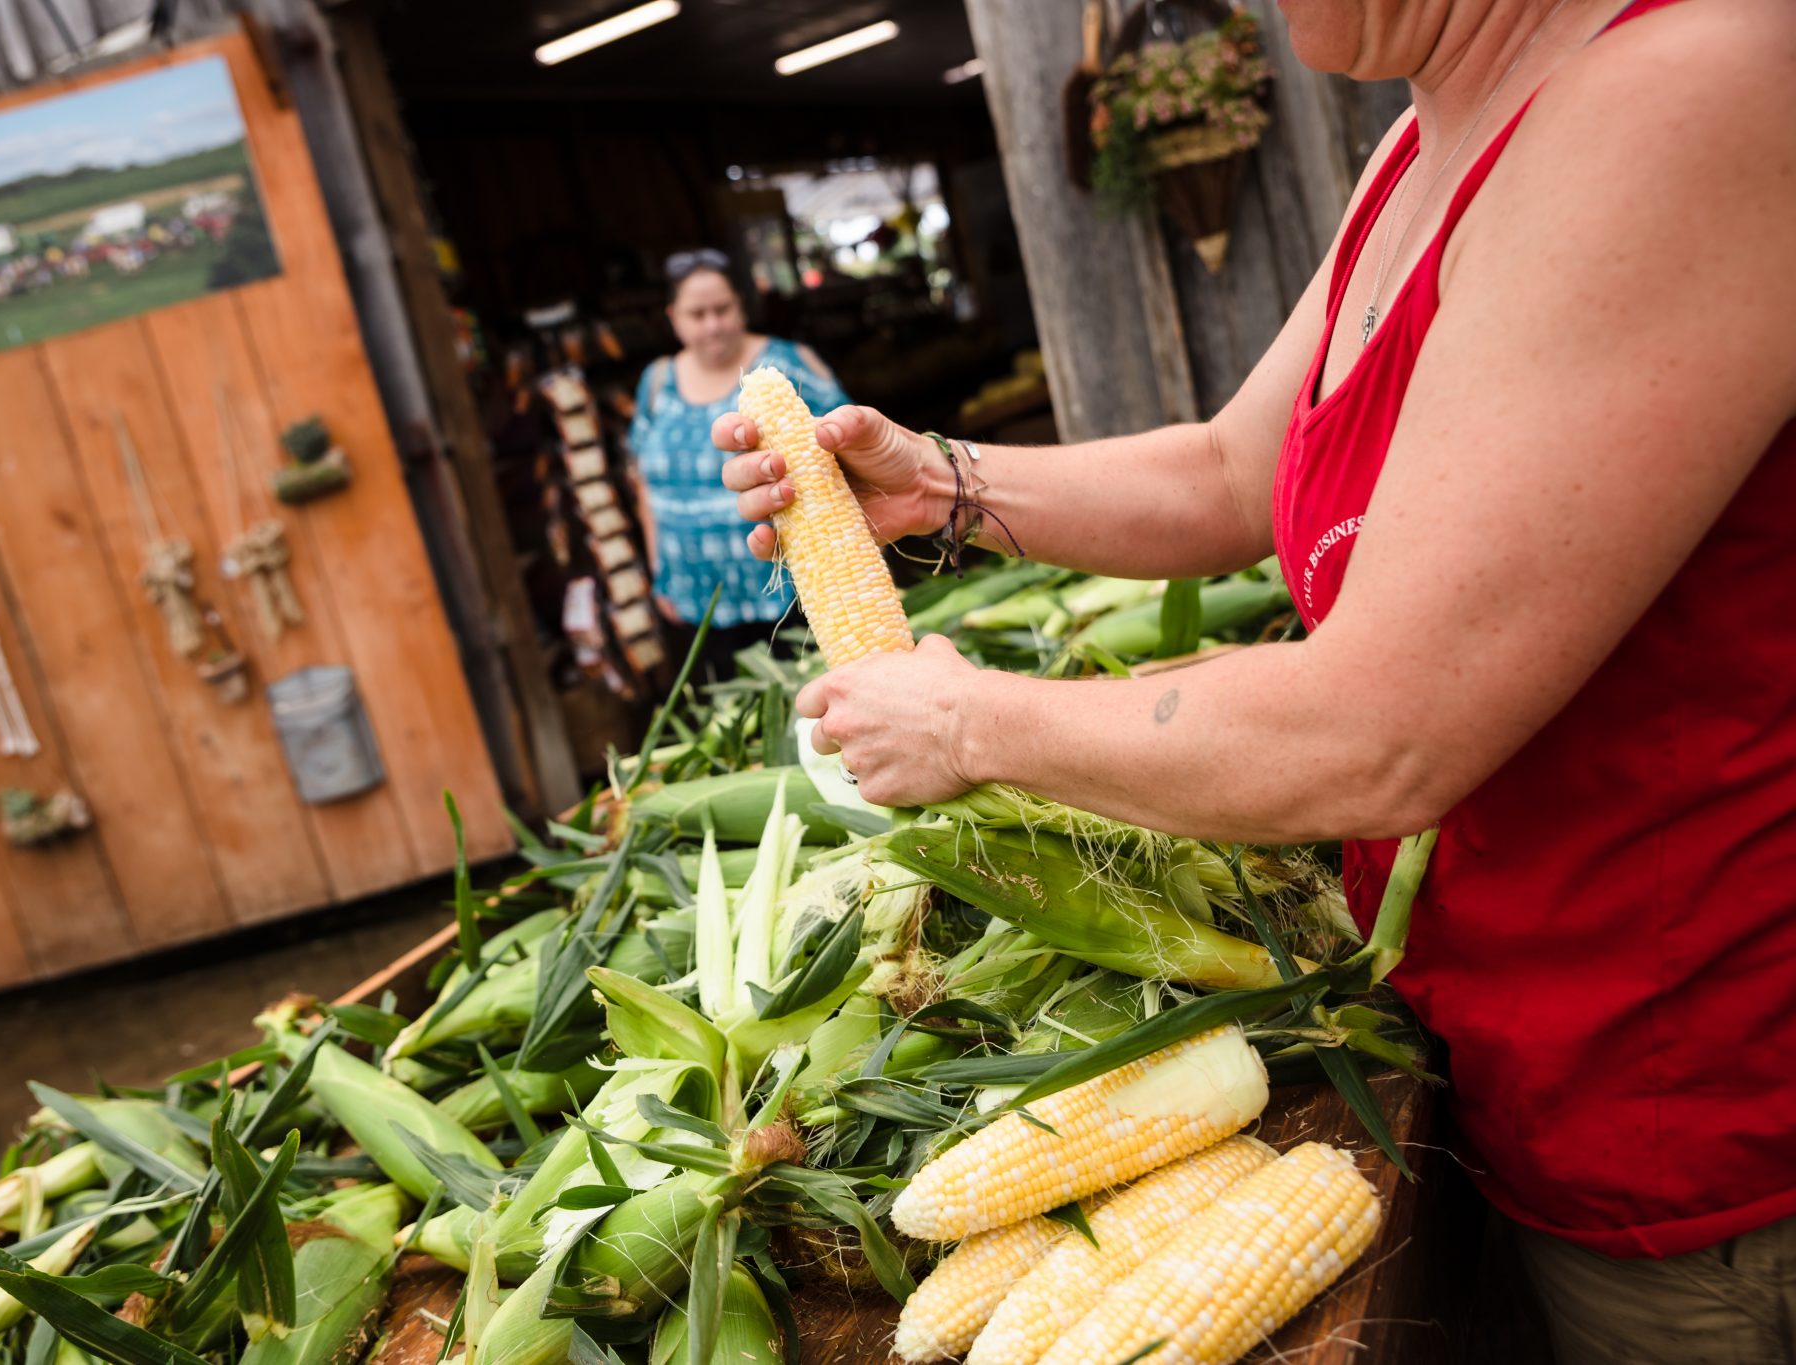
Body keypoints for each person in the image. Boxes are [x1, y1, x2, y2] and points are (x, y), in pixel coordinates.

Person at [715, 1, 1796, 1360]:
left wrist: (968, 720)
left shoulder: (1679, 93)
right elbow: (1231, 471)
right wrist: (936, 484)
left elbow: (1383, 731)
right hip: (1532, 1060)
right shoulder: (1419, 141)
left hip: (1706, 1106)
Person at [627, 248, 850, 677]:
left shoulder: (787, 362)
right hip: (695, 596)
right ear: (674, 317)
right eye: (697, 314)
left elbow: (846, 445)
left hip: (788, 593)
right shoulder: (656, 381)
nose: (712, 324)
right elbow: (643, 481)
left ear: (741, 306)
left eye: (722, 309)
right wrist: (659, 570)